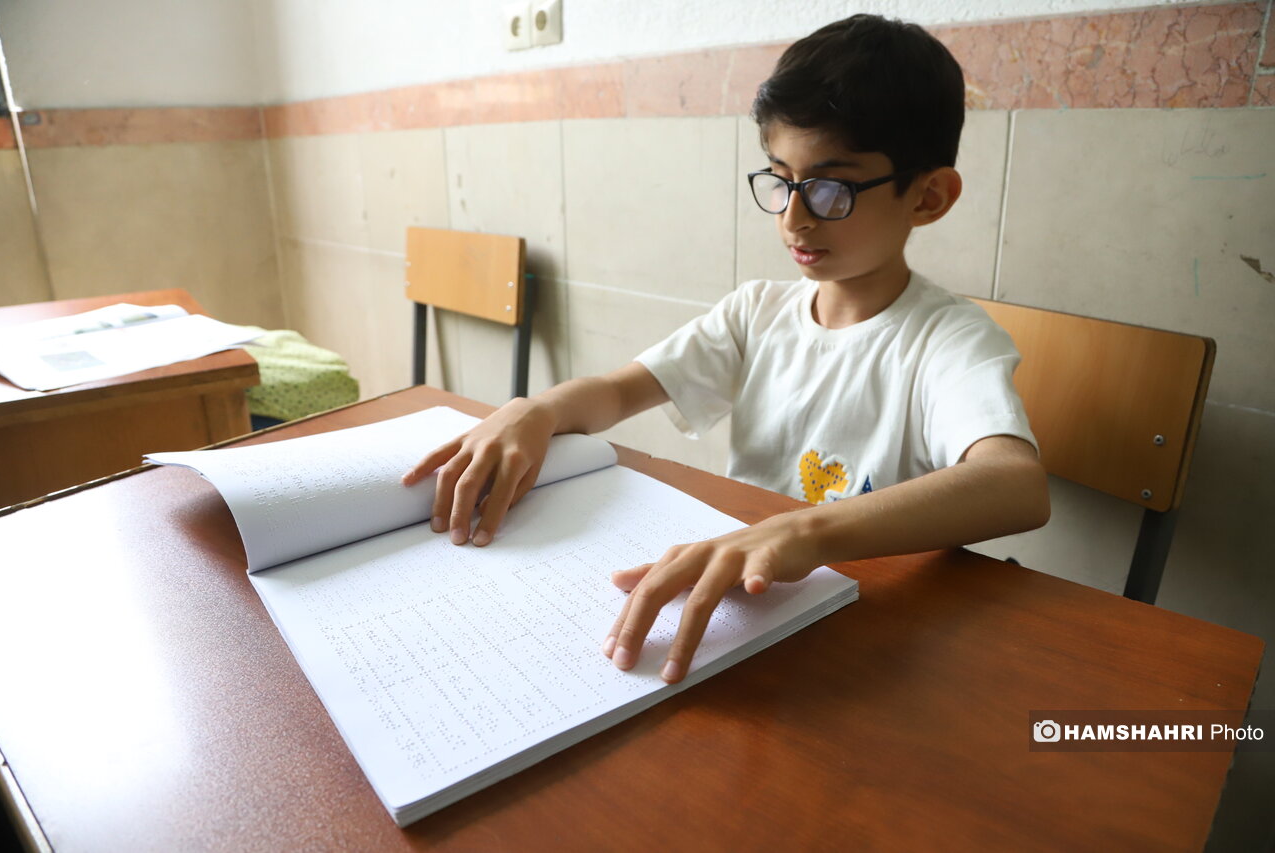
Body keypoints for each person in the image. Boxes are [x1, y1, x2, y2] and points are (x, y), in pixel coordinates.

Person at [402, 14, 1050, 684]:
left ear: (928, 196)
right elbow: (621, 391)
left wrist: (803, 531)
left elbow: (1016, 485)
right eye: (781, 179)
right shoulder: (757, 312)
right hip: (744, 608)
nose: (793, 218)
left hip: (869, 635)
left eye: (831, 189)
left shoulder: (949, 340)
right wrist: (537, 410)